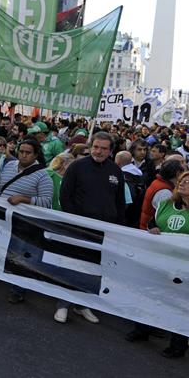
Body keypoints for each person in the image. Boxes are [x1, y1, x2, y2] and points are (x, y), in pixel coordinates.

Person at [132, 171, 189, 358]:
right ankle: (142, 329)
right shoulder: (166, 205)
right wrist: (152, 228)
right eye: (181, 180)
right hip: (160, 261)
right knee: (150, 296)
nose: (182, 183)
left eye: (188, 182)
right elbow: (152, 224)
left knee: (182, 305)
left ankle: (178, 345)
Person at [56, 131, 125, 324]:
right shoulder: (77, 167)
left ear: (110, 151)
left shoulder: (116, 171)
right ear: (90, 146)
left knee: (94, 269)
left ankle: (83, 304)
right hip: (78, 228)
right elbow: (65, 196)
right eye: (95, 147)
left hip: (104, 232)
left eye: (103, 148)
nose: (98, 151)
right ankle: (63, 305)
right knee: (72, 266)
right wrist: (75, 221)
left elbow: (119, 202)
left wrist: (119, 228)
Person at [0, 138, 53, 301]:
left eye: (28, 153)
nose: (24, 155)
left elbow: (46, 202)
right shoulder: (9, 166)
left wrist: (23, 199)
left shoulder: (43, 175)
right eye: (21, 151)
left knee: (20, 257)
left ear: (36, 155)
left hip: (23, 224)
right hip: (2, 217)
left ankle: (17, 290)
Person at [139, 158, 186, 230]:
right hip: (151, 231)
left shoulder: (159, 183)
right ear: (178, 173)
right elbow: (165, 215)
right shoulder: (164, 192)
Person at [116, 151, 146, 228]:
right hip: (137, 215)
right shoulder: (140, 174)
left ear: (118, 161)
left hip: (125, 217)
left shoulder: (122, 177)